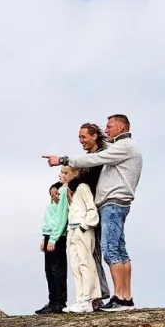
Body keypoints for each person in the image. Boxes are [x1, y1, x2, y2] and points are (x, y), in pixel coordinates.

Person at [44, 114, 142, 309]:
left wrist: (62, 159)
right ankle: (125, 296)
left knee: (110, 250)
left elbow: (95, 160)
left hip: (113, 203)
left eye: (110, 126)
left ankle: (119, 298)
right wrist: (59, 185)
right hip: (115, 203)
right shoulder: (123, 147)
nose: (107, 130)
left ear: (121, 128)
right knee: (119, 250)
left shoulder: (122, 146)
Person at [76, 123, 115, 305]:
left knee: (100, 250)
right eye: (79, 137)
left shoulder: (101, 157)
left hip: (98, 208)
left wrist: (73, 184)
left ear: (94, 136)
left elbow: (89, 180)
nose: (81, 141)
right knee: (91, 252)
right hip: (88, 208)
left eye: (83, 137)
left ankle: (101, 293)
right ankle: (98, 293)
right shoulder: (89, 157)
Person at [60, 165, 101, 313]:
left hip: (81, 228)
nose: (63, 175)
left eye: (66, 172)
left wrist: (84, 226)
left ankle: (88, 299)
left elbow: (91, 208)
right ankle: (79, 298)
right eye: (62, 172)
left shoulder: (82, 187)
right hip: (72, 229)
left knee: (85, 263)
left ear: (76, 173)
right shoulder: (70, 189)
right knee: (75, 265)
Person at [36, 181, 68, 315]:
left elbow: (61, 218)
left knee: (57, 270)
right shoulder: (57, 190)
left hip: (57, 236)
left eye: (64, 174)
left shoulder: (63, 193)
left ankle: (59, 303)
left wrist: (53, 238)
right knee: (49, 270)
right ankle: (52, 301)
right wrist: (45, 237)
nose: (61, 177)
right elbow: (50, 218)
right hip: (49, 234)